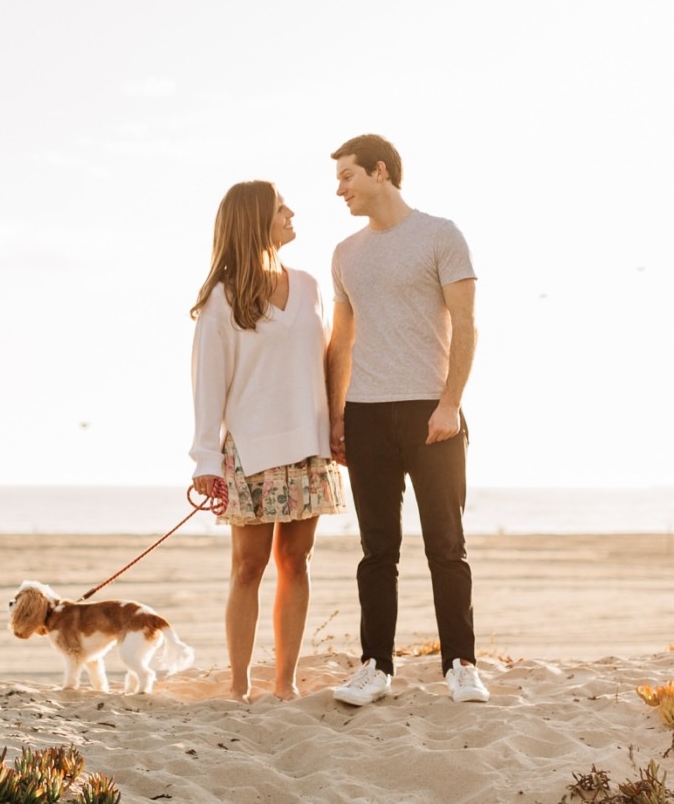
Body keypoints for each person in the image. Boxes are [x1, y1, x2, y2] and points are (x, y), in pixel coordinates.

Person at [325, 134, 489, 705]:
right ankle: (375, 666)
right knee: (377, 549)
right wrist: (336, 414)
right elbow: (341, 342)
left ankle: (461, 664)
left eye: (347, 176)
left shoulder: (440, 234)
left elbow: (466, 324)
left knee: (446, 545)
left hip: (430, 410)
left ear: (380, 172)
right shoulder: (346, 252)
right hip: (367, 414)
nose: (339, 188)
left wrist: (449, 403)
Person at [189, 180, 345, 701]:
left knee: (296, 563)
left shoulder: (308, 285)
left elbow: (325, 364)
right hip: (250, 452)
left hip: (308, 448)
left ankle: (285, 682)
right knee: (248, 567)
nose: (292, 213)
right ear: (257, 220)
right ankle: (238, 685)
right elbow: (207, 385)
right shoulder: (222, 299)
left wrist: (336, 427)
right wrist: (205, 460)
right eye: (282, 209)